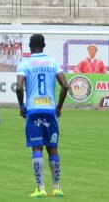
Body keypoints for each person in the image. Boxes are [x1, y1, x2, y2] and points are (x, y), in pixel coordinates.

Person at [15, 33, 68, 198]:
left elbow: (18, 87)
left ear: (30, 46)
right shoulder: (53, 63)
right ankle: (57, 187)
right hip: (50, 110)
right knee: (53, 148)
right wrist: (58, 107)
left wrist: (21, 106)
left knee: (36, 148)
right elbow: (65, 86)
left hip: (34, 110)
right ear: (44, 45)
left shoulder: (25, 64)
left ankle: (41, 188)